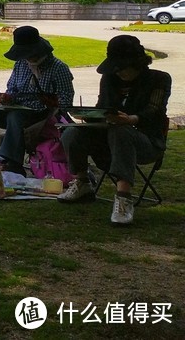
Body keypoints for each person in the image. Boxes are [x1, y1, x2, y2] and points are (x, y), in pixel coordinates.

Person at [57, 34, 171, 225]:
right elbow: (103, 105)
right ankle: (82, 182)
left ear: (138, 62)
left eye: (123, 67)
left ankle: (124, 197)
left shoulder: (159, 79)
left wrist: (131, 119)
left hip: (147, 140)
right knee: (72, 131)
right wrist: (91, 115)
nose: (119, 72)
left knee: (122, 131)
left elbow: (154, 110)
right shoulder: (109, 79)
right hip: (107, 138)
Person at [0, 25, 74, 174]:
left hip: (42, 116)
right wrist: (5, 97)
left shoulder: (59, 68)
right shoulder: (21, 64)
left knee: (15, 116)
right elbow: (13, 89)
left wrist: (51, 101)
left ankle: (13, 162)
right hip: (17, 109)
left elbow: (67, 101)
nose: (29, 58)